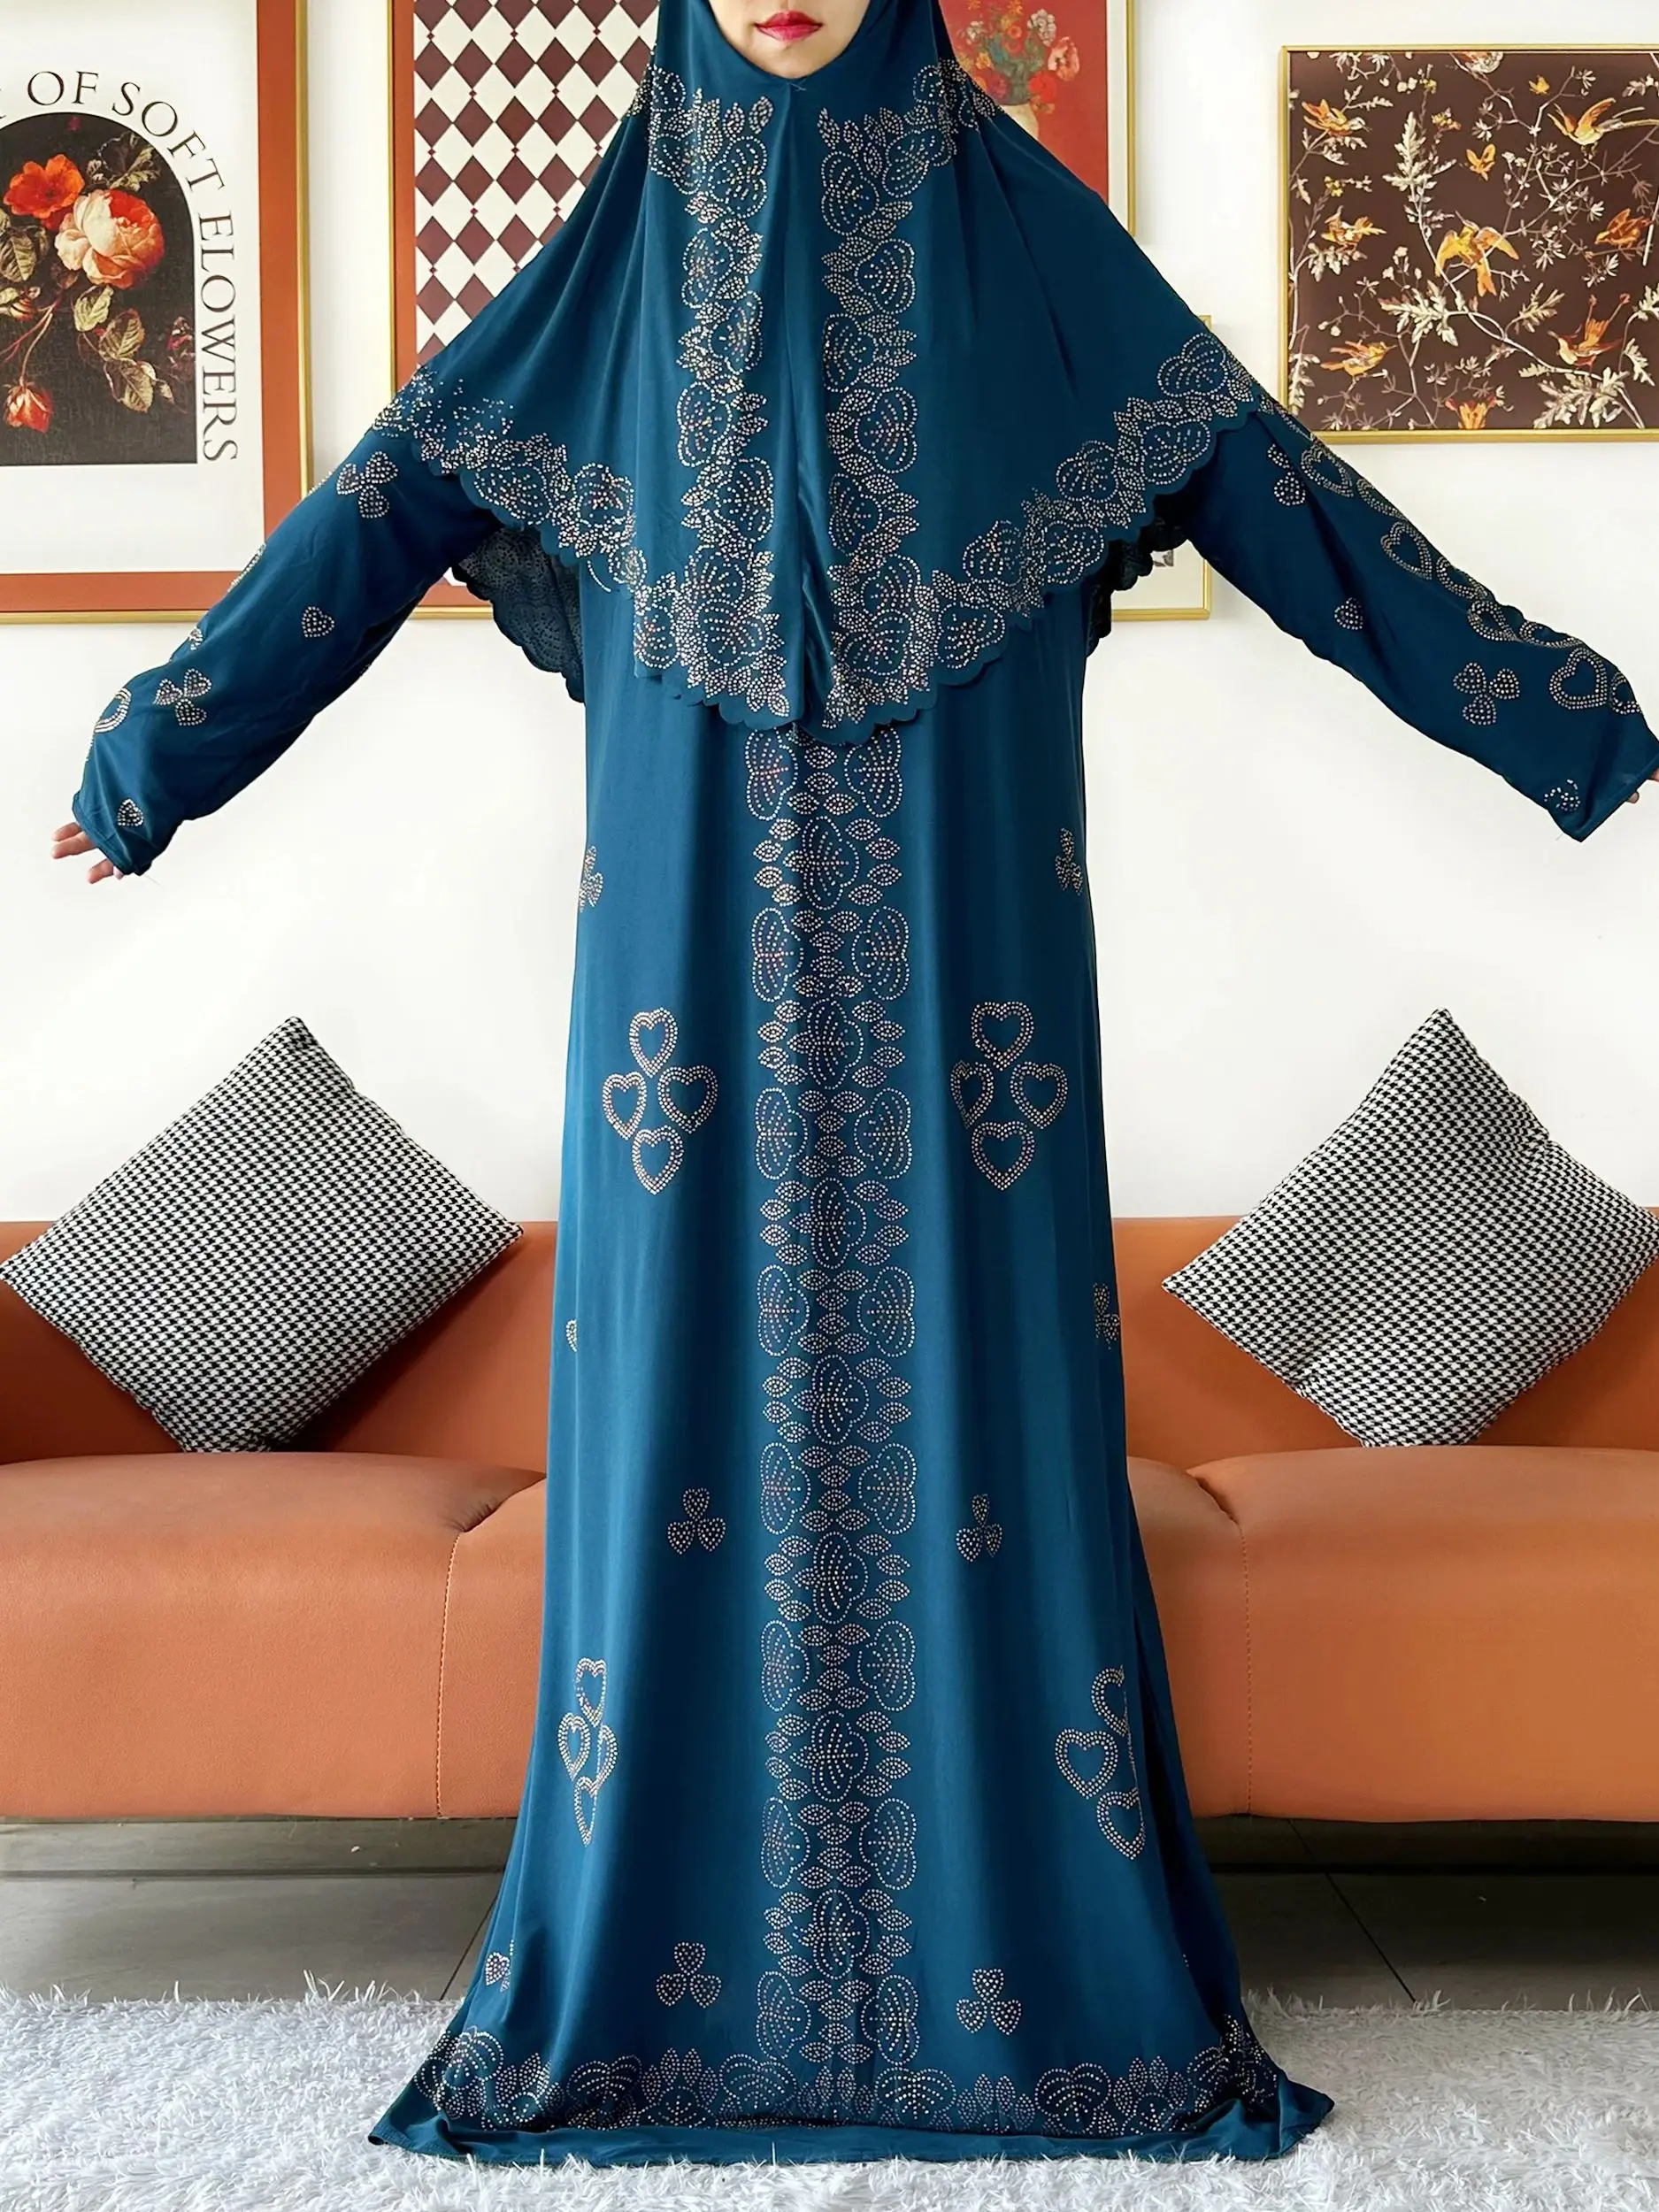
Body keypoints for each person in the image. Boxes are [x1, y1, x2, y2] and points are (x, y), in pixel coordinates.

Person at [53, 0, 1658, 2170]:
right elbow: (376, 510)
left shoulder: (1039, 256)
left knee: (979, 1404)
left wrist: (1567, 719)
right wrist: (157, 754)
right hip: (678, 984)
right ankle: (666, 1987)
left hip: (970, 967)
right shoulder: (609, 273)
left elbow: (1297, 511)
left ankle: (1022, 1980)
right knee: (675, 1420)